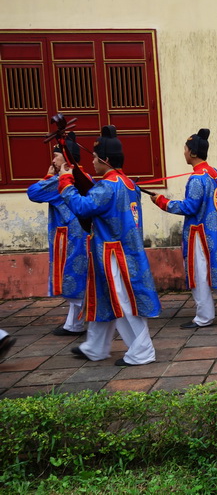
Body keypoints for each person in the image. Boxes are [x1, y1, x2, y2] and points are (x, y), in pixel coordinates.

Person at [58, 125, 160, 366]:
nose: (92, 162)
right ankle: (95, 347)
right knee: (104, 299)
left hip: (115, 255)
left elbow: (83, 207)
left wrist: (65, 183)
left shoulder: (108, 186)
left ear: (105, 159)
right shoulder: (127, 183)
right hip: (121, 251)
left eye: (95, 157)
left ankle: (142, 350)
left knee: (123, 303)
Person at [150, 128, 217, 328]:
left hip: (201, 234)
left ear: (193, 153)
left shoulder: (197, 179)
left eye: (186, 149)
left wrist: (162, 201)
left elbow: (190, 207)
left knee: (199, 274)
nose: (184, 152)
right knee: (212, 270)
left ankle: (204, 317)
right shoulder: (214, 173)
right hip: (216, 230)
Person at [27, 132, 89, 336]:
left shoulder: (61, 180)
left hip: (69, 237)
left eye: (56, 156)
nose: (53, 160)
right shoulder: (85, 176)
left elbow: (33, 192)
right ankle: (74, 325)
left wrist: (47, 176)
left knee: (72, 280)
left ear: (66, 158)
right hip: (83, 233)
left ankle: (90, 321)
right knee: (78, 279)